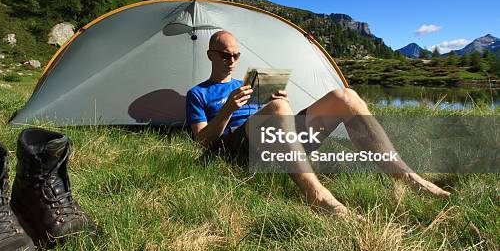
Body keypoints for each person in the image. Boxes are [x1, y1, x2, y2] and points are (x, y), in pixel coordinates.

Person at [186, 30, 449, 216]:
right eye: (224, 55)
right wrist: (228, 110)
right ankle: (318, 197)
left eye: (236, 55)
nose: (231, 61)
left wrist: (278, 103)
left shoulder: (246, 83)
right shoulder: (198, 93)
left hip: (278, 139)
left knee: (345, 96)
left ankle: (407, 177)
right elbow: (202, 142)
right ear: (210, 55)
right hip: (239, 147)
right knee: (278, 108)